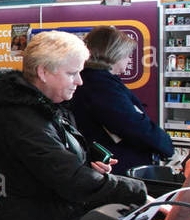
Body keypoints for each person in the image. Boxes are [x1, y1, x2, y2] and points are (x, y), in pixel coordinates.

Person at [0, 30, 147, 220]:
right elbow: (69, 179)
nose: (80, 81)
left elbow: (63, 164)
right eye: (72, 73)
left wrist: (88, 164)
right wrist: (138, 190)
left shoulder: (50, 108)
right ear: (44, 72)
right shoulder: (19, 118)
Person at [70, 27, 174, 175]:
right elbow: (129, 123)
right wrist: (165, 145)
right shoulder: (101, 85)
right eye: (127, 55)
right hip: (118, 168)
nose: (129, 59)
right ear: (115, 54)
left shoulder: (95, 80)